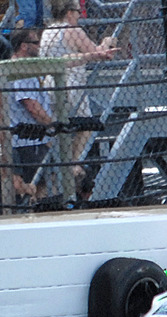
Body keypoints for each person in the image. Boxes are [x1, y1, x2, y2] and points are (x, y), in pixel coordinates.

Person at [39, 0, 118, 183]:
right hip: (71, 85)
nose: (80, 15)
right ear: (68, 13)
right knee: (87, 125)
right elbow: (96, 53)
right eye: (77, 11)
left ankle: (62, 164)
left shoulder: (47, 32)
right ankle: (73, 163)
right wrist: (107, 42)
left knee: (61, 128)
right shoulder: (73, 31)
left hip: (50, 85)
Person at [8, 28, 54, 203]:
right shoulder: (20, 69)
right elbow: (30, 104)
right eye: (35, 43)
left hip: (32, 139)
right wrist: (52, 125)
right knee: (29, 187)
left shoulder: (24, 67)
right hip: (28, 140)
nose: (39, 46)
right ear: (24, 46)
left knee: (40, 184)